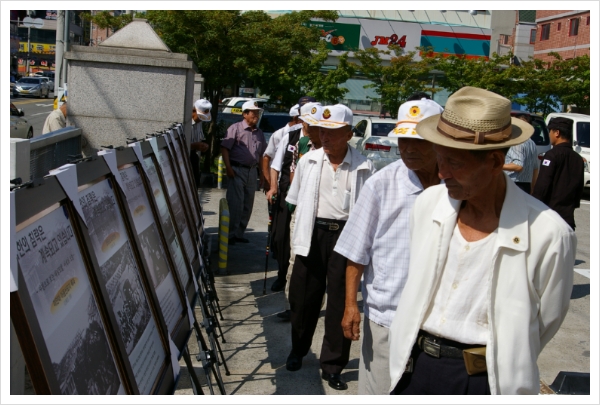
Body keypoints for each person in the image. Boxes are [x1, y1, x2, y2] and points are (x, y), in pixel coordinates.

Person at [388, 86, 576, 395]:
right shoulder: (428, 204)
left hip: (485, 382)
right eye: (439, 158)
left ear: (493, 162)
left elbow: (546, 322)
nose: (441, 172)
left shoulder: (548, 234)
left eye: (455, 163)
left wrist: (503, 354)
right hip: (415, 368)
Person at [335, 98, 444, 394]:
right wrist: (350, 305)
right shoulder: (381, 185)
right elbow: (356, 253)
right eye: (404, 140)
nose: (407, 148)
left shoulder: (456, 189)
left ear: (439, 140)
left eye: (418, 141)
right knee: (380, 390)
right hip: (387, 317)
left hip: (437, 323)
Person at [285, 104, 375, 391]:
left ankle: (333, 364)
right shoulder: (308, 161)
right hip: (313, 234)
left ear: (348, 133)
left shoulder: (365, 166)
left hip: (346, 237)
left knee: (340, 302)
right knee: (303, 299)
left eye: (333, 132)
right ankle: (298, 349)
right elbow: (296, 200)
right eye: (322, 131)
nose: (325, 137)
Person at [275, 103, 324, 320]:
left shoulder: (331, 149)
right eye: (308, 123)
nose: (311, 129)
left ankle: (313, 306)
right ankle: (293, 306)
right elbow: (292, 175)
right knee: (295, 260)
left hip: (324, 216)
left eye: (317, 125)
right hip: (301, 209)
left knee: (320, 266)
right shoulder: (297, 142)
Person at [267, 96, 318, 292]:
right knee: (281, 238)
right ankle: (281, 274)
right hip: (287, 190)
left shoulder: (319, 138)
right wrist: (273, 187)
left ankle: (298, 278)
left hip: (309, 193)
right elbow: (275, 164)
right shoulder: (289, 135)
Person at [220, 100, 267, 245]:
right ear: (245, 113)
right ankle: (230, 234)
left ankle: (240, 233)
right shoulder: (235, 128)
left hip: (252, 171)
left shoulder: (259, 133)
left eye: (258, 113)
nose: (256, 116)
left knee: (248, 203)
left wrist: (262, 173)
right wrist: (228, 168)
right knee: (236, 203)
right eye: (253, 113)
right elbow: (225, 149)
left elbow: (261, 155)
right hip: (237, 169)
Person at [532, 117, 584, 229]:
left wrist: (534, 205)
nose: (549, 134)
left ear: (557, 133)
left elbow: (542, 185)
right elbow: (579, 188)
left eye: (550, 131)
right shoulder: (578, 159)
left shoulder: (552, 155)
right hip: (568, 218)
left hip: (550, 216)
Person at [261, 104, 302, 192]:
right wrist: (269, 182)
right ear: (296, 118)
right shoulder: (279, 134)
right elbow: (266, 157)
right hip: (278, 182)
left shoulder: (303, 135)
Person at [502, 114, 539, 194]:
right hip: (526, 185)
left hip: (513, 184)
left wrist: (498, 165)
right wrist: (532, 188)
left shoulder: (517, 142)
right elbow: (535, 169)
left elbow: (518, 166)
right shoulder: (532, 143)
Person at [190, 99, 211, 188]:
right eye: (200, 117)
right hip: (184, 157)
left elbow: (199, 138)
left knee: (195, 184)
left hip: (194, 156)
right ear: (193, 111)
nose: (201, 120)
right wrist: (193, 145)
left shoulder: (199, 123)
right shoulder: (185, 123)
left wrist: (202, 146)